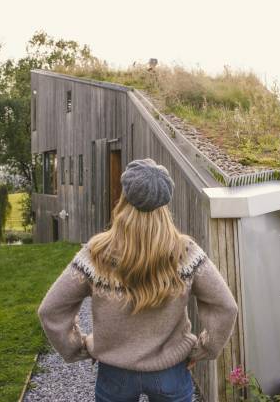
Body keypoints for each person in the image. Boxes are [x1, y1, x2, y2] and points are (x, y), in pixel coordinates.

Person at [38, 158, 238, 402]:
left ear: (124, 199)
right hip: (170, 372)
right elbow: (225, 307)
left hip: (114, 374)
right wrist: (204, 348)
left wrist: (77, 346)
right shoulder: (185, 252)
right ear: (164, 205)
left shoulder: (97, 253)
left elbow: (51, 310)